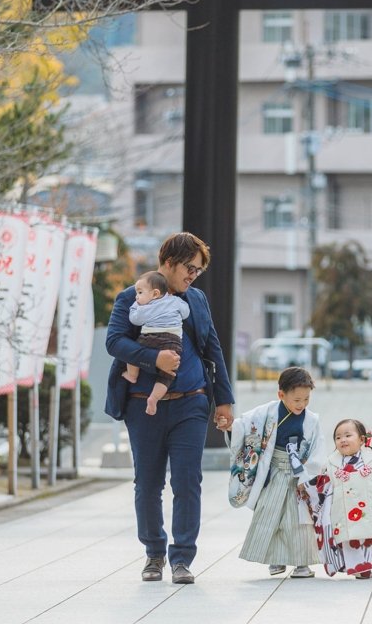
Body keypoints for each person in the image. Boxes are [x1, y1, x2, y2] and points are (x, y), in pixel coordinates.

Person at [104, 232, 236, 585]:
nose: (193, 275)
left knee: (188, 481)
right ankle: (153, 554)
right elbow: (114, 341)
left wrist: (224, 400)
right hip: (141, 406)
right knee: (147, 483)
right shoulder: (133, 296)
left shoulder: (197, 300)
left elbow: (213, 349)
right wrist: (153, 358)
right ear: (169, 262)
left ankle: (182, 559)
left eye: (199, 270)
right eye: (189, 268)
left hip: (191, 403)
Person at [225, 366, 322, 579]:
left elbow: (316, 450)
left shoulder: (312, 420)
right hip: (273, 470)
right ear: (281, 394)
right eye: (297, 400)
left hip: (299, 473)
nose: (302, 404)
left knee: (298, 519)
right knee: (269, 515)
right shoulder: (267, 412)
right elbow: (243, 425)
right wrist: (232, 427)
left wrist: (307, 476)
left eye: (306, 399)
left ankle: (302, 563)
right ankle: (274, 559)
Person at [302, 419, 372, 579]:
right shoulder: (330, 463)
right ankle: (353, 566)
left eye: (348, 435)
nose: (343, 440)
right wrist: (307, 486)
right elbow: (321, 484)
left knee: (365, 540)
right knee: (347, 540)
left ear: (362, 439)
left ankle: (364, 567)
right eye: (338, 437)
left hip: (366, 511)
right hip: (341, 512)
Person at [122, 270, 191, 415]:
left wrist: (135, 306)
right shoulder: (175, 301)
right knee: (168, 374)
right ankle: (154, 398)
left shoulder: (144, 307)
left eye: (140, 292)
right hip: (174, 342)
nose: (136, 296)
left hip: (150, 338)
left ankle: (132, 375)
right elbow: (186, 313)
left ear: (154, 294)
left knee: (132, 351)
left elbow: (135, 319)